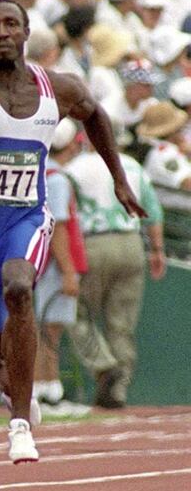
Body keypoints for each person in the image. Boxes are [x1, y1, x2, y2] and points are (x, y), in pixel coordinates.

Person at [0, 0, 146, 464]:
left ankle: (20, 424)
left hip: (26, 218)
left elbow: (95, 115)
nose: (2, 32)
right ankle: (10, 385)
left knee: (20, 288)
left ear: (25, 32)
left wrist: (119, 177)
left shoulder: (56, 87)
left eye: (11, 24)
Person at [66, 116, 167, 409]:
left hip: (93, 243)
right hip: (131, 243)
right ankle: (119, 387)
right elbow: (153, 210)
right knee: (121, 323)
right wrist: (157, 250)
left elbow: (65, 210)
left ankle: (103, 365)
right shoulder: (132, 166)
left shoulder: (75, 168)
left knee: (76, 313)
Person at [32, 118, 91, 417]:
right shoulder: (57, 180)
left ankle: (46, 388)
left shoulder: (45, 175)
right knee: (49, 330)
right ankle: (46, 391)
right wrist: (69, 271)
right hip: (53, 267)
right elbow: (58, 228)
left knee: (48, 329)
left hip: (44, 264)